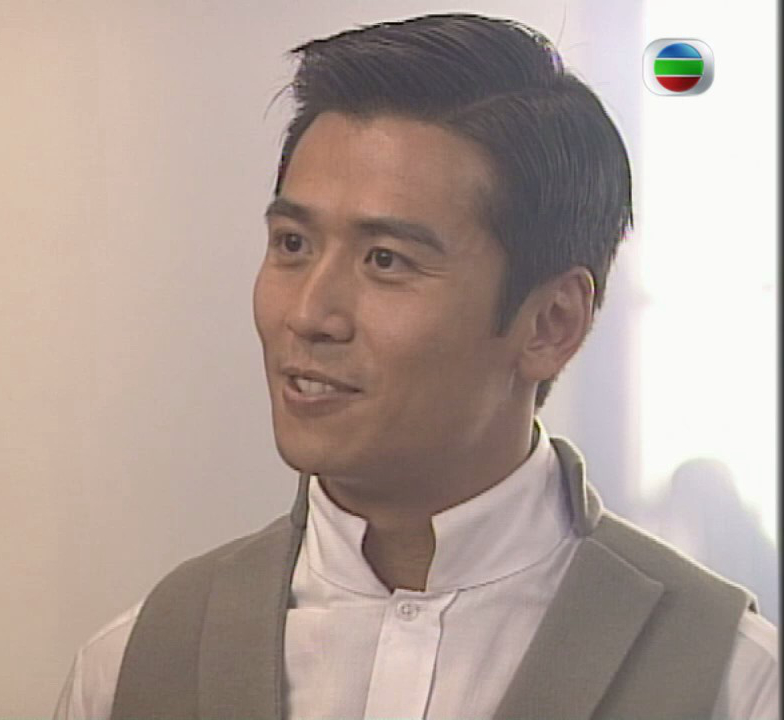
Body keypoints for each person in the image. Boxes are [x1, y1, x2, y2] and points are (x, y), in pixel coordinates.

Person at [54, 13, 779, 720]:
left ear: (552, 322)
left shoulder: (731, 683)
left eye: (385, 260)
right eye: (293, 244)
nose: (307, 314)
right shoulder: (133, 669)